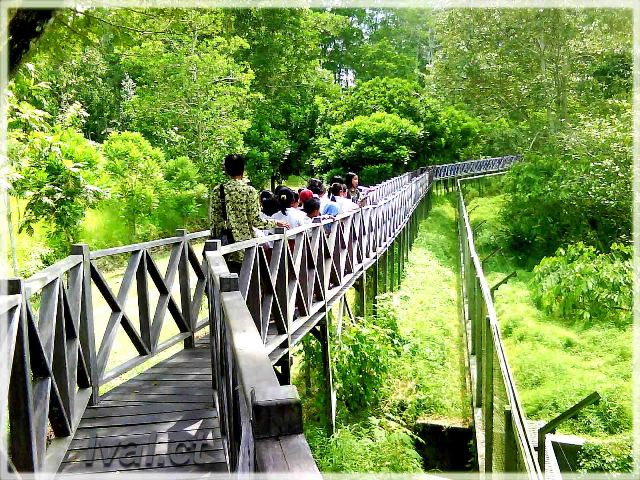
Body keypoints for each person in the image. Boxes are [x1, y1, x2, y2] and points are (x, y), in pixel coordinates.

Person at [209, 154, 289, 274]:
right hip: (246, 248)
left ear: (226, 170)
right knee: (247, 286)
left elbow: (214, 222)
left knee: (224, 286)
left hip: (224, 247)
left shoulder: (217, 190)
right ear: (243, 169)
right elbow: (256, 221)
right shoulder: (249, 191)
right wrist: (275, 222)